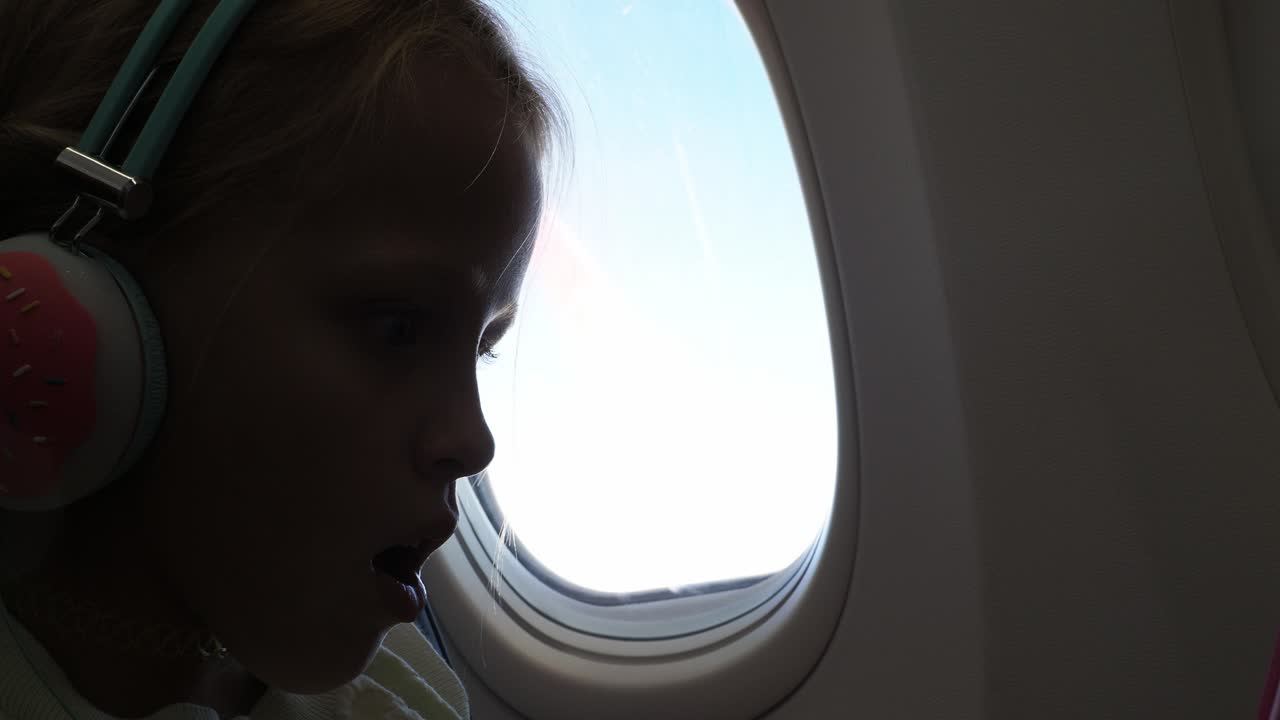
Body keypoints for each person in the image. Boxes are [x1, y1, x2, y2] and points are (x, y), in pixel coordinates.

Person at [0, 1, 566, 717]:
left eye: (480, 351)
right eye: (398, 328)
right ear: (76, 302)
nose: (474, 443)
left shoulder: (402, 699)